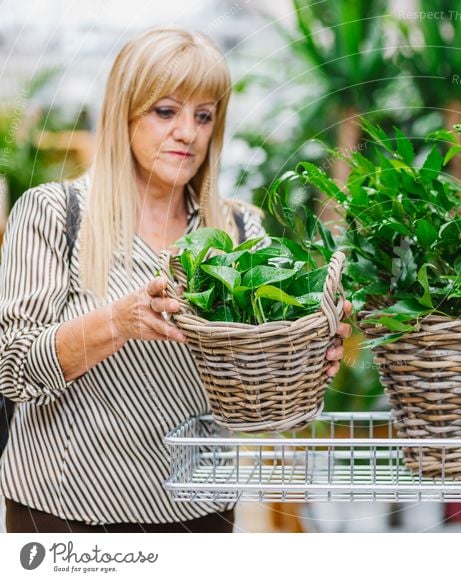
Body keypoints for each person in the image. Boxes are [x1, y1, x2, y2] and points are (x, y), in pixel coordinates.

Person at [0, 27, 351, 533]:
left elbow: (258, 399)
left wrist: (304, 354)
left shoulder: (238, 230)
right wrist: (118, 322)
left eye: (204, 115)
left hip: (197, 512)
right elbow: (11, 368)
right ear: (125, 112)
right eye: (166, 111)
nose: (188, 132)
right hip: (64, 511)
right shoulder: (55, 214)